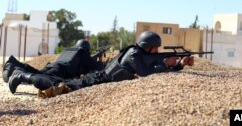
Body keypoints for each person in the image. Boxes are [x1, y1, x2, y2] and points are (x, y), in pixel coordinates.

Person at [8, 31, 194, 95]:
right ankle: (22, 75)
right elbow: (146, 73)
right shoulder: (133, 54)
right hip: (95, 81)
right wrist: (167, 64)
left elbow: (153, 69)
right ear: (149, 47)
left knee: (57, 82)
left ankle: (22, 73)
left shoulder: (137, 53)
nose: (158, 53)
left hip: (98, 81)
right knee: (59, 86)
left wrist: (179, 64)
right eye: (156, 49)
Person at [3, 39, 105, 83]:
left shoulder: (70, 50)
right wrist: (102, 63)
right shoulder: (82, 51)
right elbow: (93, 65)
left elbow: (82, 65)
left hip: (54, 66)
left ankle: (14, 65)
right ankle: (15, 69)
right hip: (59, 70)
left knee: (37, 73)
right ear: (86, 47)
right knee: (40, 77)